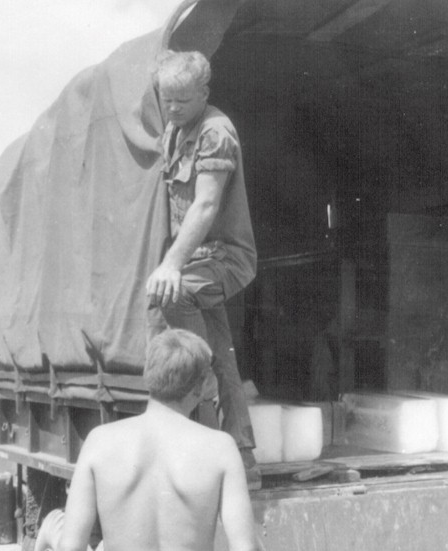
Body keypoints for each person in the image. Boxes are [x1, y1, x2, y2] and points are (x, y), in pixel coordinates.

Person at [145, 50, 259, 486]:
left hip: (227, 257)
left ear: (204, 94)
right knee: (219, 353)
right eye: (166, 99)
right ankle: (242, 456)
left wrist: (171, 264)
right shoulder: (176, 132)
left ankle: (205, 443)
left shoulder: (216, 131)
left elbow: (206, 203)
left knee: (166, 298)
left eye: (182, 101)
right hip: (199, 261)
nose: (173, 109)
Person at [56, 329, 262, 551]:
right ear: (200, 386)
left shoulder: (99, 442)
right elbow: (245, 548)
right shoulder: (221, 448)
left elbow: (70, 547)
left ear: (148, 375)